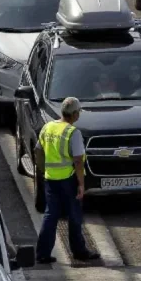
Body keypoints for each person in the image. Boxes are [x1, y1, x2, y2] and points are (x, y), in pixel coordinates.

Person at [35, 97, 100, 263]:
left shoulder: (48, 127)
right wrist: (81, 184)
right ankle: (79, 252)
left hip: (51, 179)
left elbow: (38, 151)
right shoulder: (73, 133)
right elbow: (78, 160)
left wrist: (44, 171)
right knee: (74, 215)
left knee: (51, 215)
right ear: (75, 114)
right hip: (68, 180)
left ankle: (42, 253)